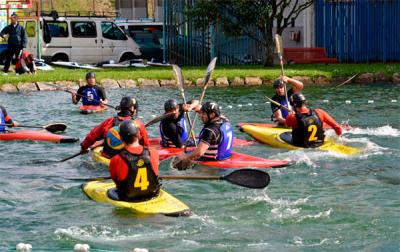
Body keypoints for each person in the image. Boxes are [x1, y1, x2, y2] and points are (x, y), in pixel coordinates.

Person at [80, 96, 149, 158]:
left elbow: (91, 136)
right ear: (132, 108)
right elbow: (146, 146)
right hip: (128, 160)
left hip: (107, 158)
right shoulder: (139, 124)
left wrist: (84, 147)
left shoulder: (109, 121)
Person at [109, 120, 160, 202]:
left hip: (128, 198)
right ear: (139, 135)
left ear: (121, 138)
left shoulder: (116, 159)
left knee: (111, 191)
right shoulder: (153, 152)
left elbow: (116, 181)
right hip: (152, 194)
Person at [175, 101, 234, 170]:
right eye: (201, 113)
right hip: (226, 157)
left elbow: (199, 153)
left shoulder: (210, 130)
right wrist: (195, 108)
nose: (200, 116)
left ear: (212, 115)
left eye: (204, 114)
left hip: (211, 162)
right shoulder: (224, 120)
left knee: (179, 156)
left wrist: (185, 158)